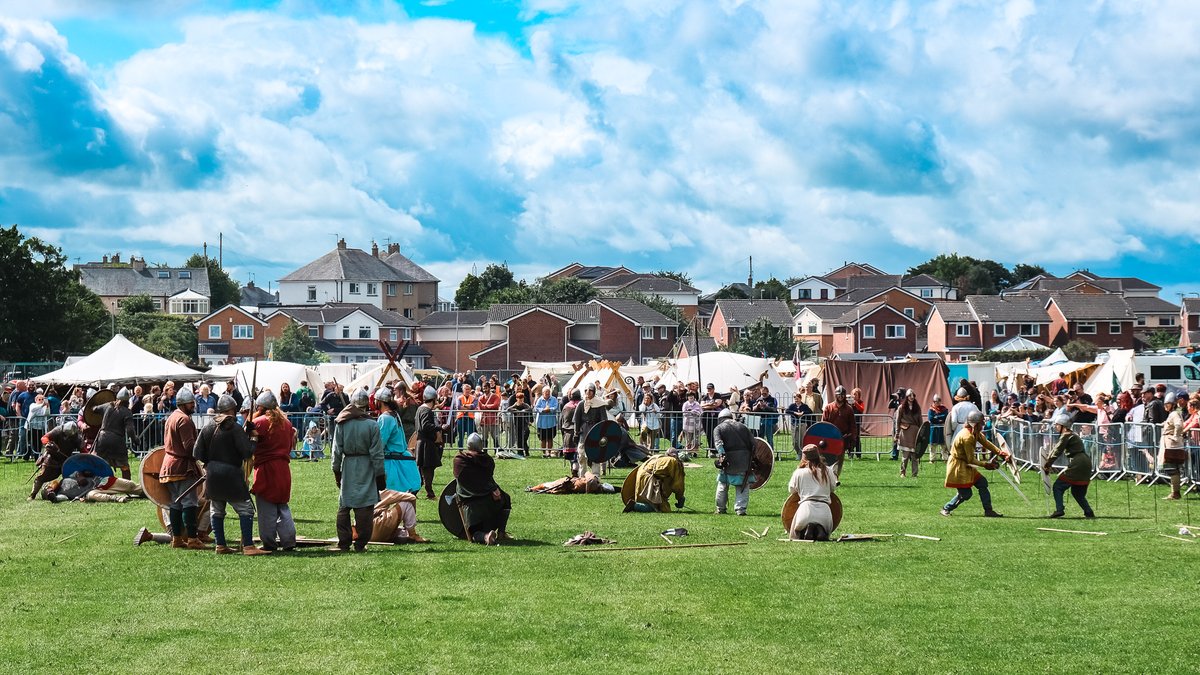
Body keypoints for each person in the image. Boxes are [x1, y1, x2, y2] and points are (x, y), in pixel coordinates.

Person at [193, 395, 270, 556]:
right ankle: (248, 546)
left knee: (217, 510)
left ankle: (220, 545)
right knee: (246, 510)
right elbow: (247, 451)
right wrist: (254, 437)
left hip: (213, 474)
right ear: (231, 410)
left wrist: (211, 463)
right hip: (231, 475)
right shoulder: (233, 427)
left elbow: (197, 452)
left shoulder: (208, 427)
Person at [329, 390, 385, 552]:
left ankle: (344, 542)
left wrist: (336, 472)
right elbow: (377, 454)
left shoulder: (342, 423)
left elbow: (336, 452)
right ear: (367, 405)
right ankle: (359, 543)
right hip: (366, 467)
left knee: (345, 505)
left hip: (349, 467)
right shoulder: (372, 425)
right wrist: (380, 475)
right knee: (364, 507)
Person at [160, 387, 208, 549]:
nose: (193, 405)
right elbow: (190, 447)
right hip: (182, 467)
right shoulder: (184, 420)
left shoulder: (172, 417)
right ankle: (193, 539)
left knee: (175, 503)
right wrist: (203, 454)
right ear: (183, 404)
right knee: (189, 502)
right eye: (191, 403)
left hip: (169, 465)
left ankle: (177, 539)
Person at [250, 391, 297, 551]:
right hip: (283, 469)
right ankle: (289, 541)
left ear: (261, 407)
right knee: (282, 508)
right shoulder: (287, 423)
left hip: (266, 470)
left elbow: (248, 443)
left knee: (267, 510)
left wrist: (248, 427)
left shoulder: (260, 422)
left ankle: (269, 543)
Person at [940, 410, 1008, 518]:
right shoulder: (967, 437)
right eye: (981, 423)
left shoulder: (974, 432)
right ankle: (946, 508)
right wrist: (986, 464)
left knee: (982, 483)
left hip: (966, 466)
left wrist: (1000, 453)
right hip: (958, 467)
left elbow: (986, 443)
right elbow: (970, 459)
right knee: (966, 494)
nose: (983, 425)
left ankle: (988, 510)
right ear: (975, 424)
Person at [453, 433, 512, 545]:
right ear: (481, 446)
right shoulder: (488, 461)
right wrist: (494, 489)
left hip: (470, 503)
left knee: (473, 531)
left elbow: (461, 480)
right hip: (491, 499)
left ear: (468, 445)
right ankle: (501, 532)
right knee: (506, 498)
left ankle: (485, 537)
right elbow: (487, 480)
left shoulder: (459, 460)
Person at [1043, 412, 1095, 518]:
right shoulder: (1071, 434)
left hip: (1078, 463)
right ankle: (1088, 512)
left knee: (1058, 486)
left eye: (1057, 424)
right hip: (1085, 462)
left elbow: (1057, 451)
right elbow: (1055, 449)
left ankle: (1059, 510)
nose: (1056, 426)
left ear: (1063, 426)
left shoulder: (1066, 435)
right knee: (1077, 492)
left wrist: (1047, 464)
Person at [788, 444, 839, 541]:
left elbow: (791, 490)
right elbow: (832, 488)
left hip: (805, 511)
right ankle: (820, 530)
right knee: (824, 529)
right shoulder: (828, 471)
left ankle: (807, 529)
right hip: (824, 512)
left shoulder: (799, 472)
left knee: (798, 532)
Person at [377, 387, 421, 494]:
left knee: (390, 497)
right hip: (399, 458)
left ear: (380, 402)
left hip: (392, 462)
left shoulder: (385, 418)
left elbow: (380, 443)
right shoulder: (394, 414)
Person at [713, 408, 755, 516]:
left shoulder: (719, 428)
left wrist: (722, 456)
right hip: (744, 460)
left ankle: (720, 508)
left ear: (721, 419)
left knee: (723, 484)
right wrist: (750, 458)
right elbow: (754, 444)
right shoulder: (743, 427)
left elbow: (718, 444)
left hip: (729, 461)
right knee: (742, 486)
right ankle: (740, 510)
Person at [30, 420, 82, 500]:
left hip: (66, 460)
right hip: (52, 458)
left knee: (73, 478)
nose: (67, 437)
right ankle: (32, 495)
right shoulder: (57, 430)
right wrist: (48, 443)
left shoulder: (76, 437)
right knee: (42, 477)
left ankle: (70, 493)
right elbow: (44, 438)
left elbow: (83, 449)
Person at [93, 388, 136, 479]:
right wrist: (135, 440)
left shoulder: (107, 406)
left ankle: (97, 483)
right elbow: (130, 430)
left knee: (100, 463)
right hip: (117, 441)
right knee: (124, 466)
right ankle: (127, 486)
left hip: (102, 439)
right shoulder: (127, 412)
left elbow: (94, 409)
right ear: (127, 401)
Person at [415, 386, 446, 500]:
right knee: (427, 470)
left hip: (423, 443)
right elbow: (425, 426)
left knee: (422, 471)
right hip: (426, 444)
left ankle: (414, 492)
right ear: (433, 400)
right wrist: (440, 427)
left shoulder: (420, 409)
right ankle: (429, 493)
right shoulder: (426, 410)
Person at [1158, 392, 1187, 500]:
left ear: (1173, 404)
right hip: (1171, 444)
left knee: (1172, 469)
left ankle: (1175, 493)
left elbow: (1179, 425)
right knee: (1172, 469)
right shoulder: (1173, 414)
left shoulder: (1174, 414)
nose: (1165, 405)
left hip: (1171, 445)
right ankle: (1174, 493)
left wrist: (1175, 436)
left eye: (1168, 403)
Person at [821, 386, 855, 476]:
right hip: (830, 438)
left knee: (839, 460)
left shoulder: (849, 409)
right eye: (839, 394)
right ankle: (827, 477)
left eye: (842, 394)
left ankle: (835, 478)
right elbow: (823, 423)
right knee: (827, 459)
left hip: (843, 437)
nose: (841, 396)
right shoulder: (829, 408)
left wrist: (852, 439)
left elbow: (852, 425)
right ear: (835, 395)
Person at [895, 389, 923, 478]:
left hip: (915, 432)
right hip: (905, 433)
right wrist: (897, 433)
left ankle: (914, 474)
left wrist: (922, 432)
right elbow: (898, 421)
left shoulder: (917, 407)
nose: (911, 397)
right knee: (905, 455)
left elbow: (920, 421)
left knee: (915, 456)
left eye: (913, 396)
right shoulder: (901, 407)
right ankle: (902, 472)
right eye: (910, 396)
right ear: (907, 397)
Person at [560, 391, 581, 476]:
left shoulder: (566, 406)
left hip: (568, 433)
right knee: (578, 455)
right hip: (579, 433)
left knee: (572, 455)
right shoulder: (582, 405)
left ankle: (573, 469)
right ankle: (576, 471)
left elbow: (562, 422)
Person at [534, 386, 559, 455]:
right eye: (546, 393)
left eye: (548, 393)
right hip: (541, 423)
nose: (547, 394)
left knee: (550, 438)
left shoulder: (554, 399)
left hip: (551, 423)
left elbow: (556, 407)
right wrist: (543, 410)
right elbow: (536, 408)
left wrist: (549, 409)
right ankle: (544, 453)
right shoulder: (539, 399)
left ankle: (549, 452)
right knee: (543, 439)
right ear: (543, 393)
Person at [477, 384, 502, 450]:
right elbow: (480, 407)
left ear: (489, 388)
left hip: (493, 420)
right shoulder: (481, 397)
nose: (485, 389)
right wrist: (488, 407)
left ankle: (497, 451)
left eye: (486, 388)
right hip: (484, 420)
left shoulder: (495, 396)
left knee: (495, 437)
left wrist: (485, 407)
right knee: (484, 437)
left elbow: (495, 405)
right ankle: (484, 452)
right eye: (484, 388)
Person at [508, 391, 532, 456]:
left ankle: (526, 449)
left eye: (522, 398)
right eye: (519, 398)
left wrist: (523, 411)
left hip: (524, 423)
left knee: (525, 434)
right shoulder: (515, 405)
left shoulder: (525, 405)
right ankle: (520, 452)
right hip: (517, 424)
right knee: (518, 438)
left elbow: (530, 409)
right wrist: (515, 410)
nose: (521, 400)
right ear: (517, 398)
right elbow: (509, 409)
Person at [927, 394, 949, 463]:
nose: (938, 402)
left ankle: (945, 459)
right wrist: (939, 419)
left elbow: (945, 417)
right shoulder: (931, 410)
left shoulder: (944, 409)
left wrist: (937, 418)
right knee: (933, 445)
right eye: (936, 401)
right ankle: (932, 459)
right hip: (934, 429)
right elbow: (931, 418)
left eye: (939, 401)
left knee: (944, 445)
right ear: (934, 401)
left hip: (942, 429)